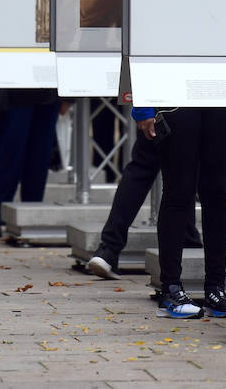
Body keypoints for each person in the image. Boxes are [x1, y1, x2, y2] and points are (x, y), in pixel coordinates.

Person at [145, 103, 226, 319]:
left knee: (219, 191)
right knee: (178, 189)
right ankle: (170, 288)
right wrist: (142, 107)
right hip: (176, 95)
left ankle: (216, 287)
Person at [86, 107, 202, 280]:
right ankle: (188, 238)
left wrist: (144, 111)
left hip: (164, 105)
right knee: (183, 170)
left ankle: (109, 248)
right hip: (182, 105)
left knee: (145, 167)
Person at [0, 88, 60, 238]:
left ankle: (31, 215)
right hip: (16, 90)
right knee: (10, 155)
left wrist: (67, 98)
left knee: (39, 159)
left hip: (48, 92)